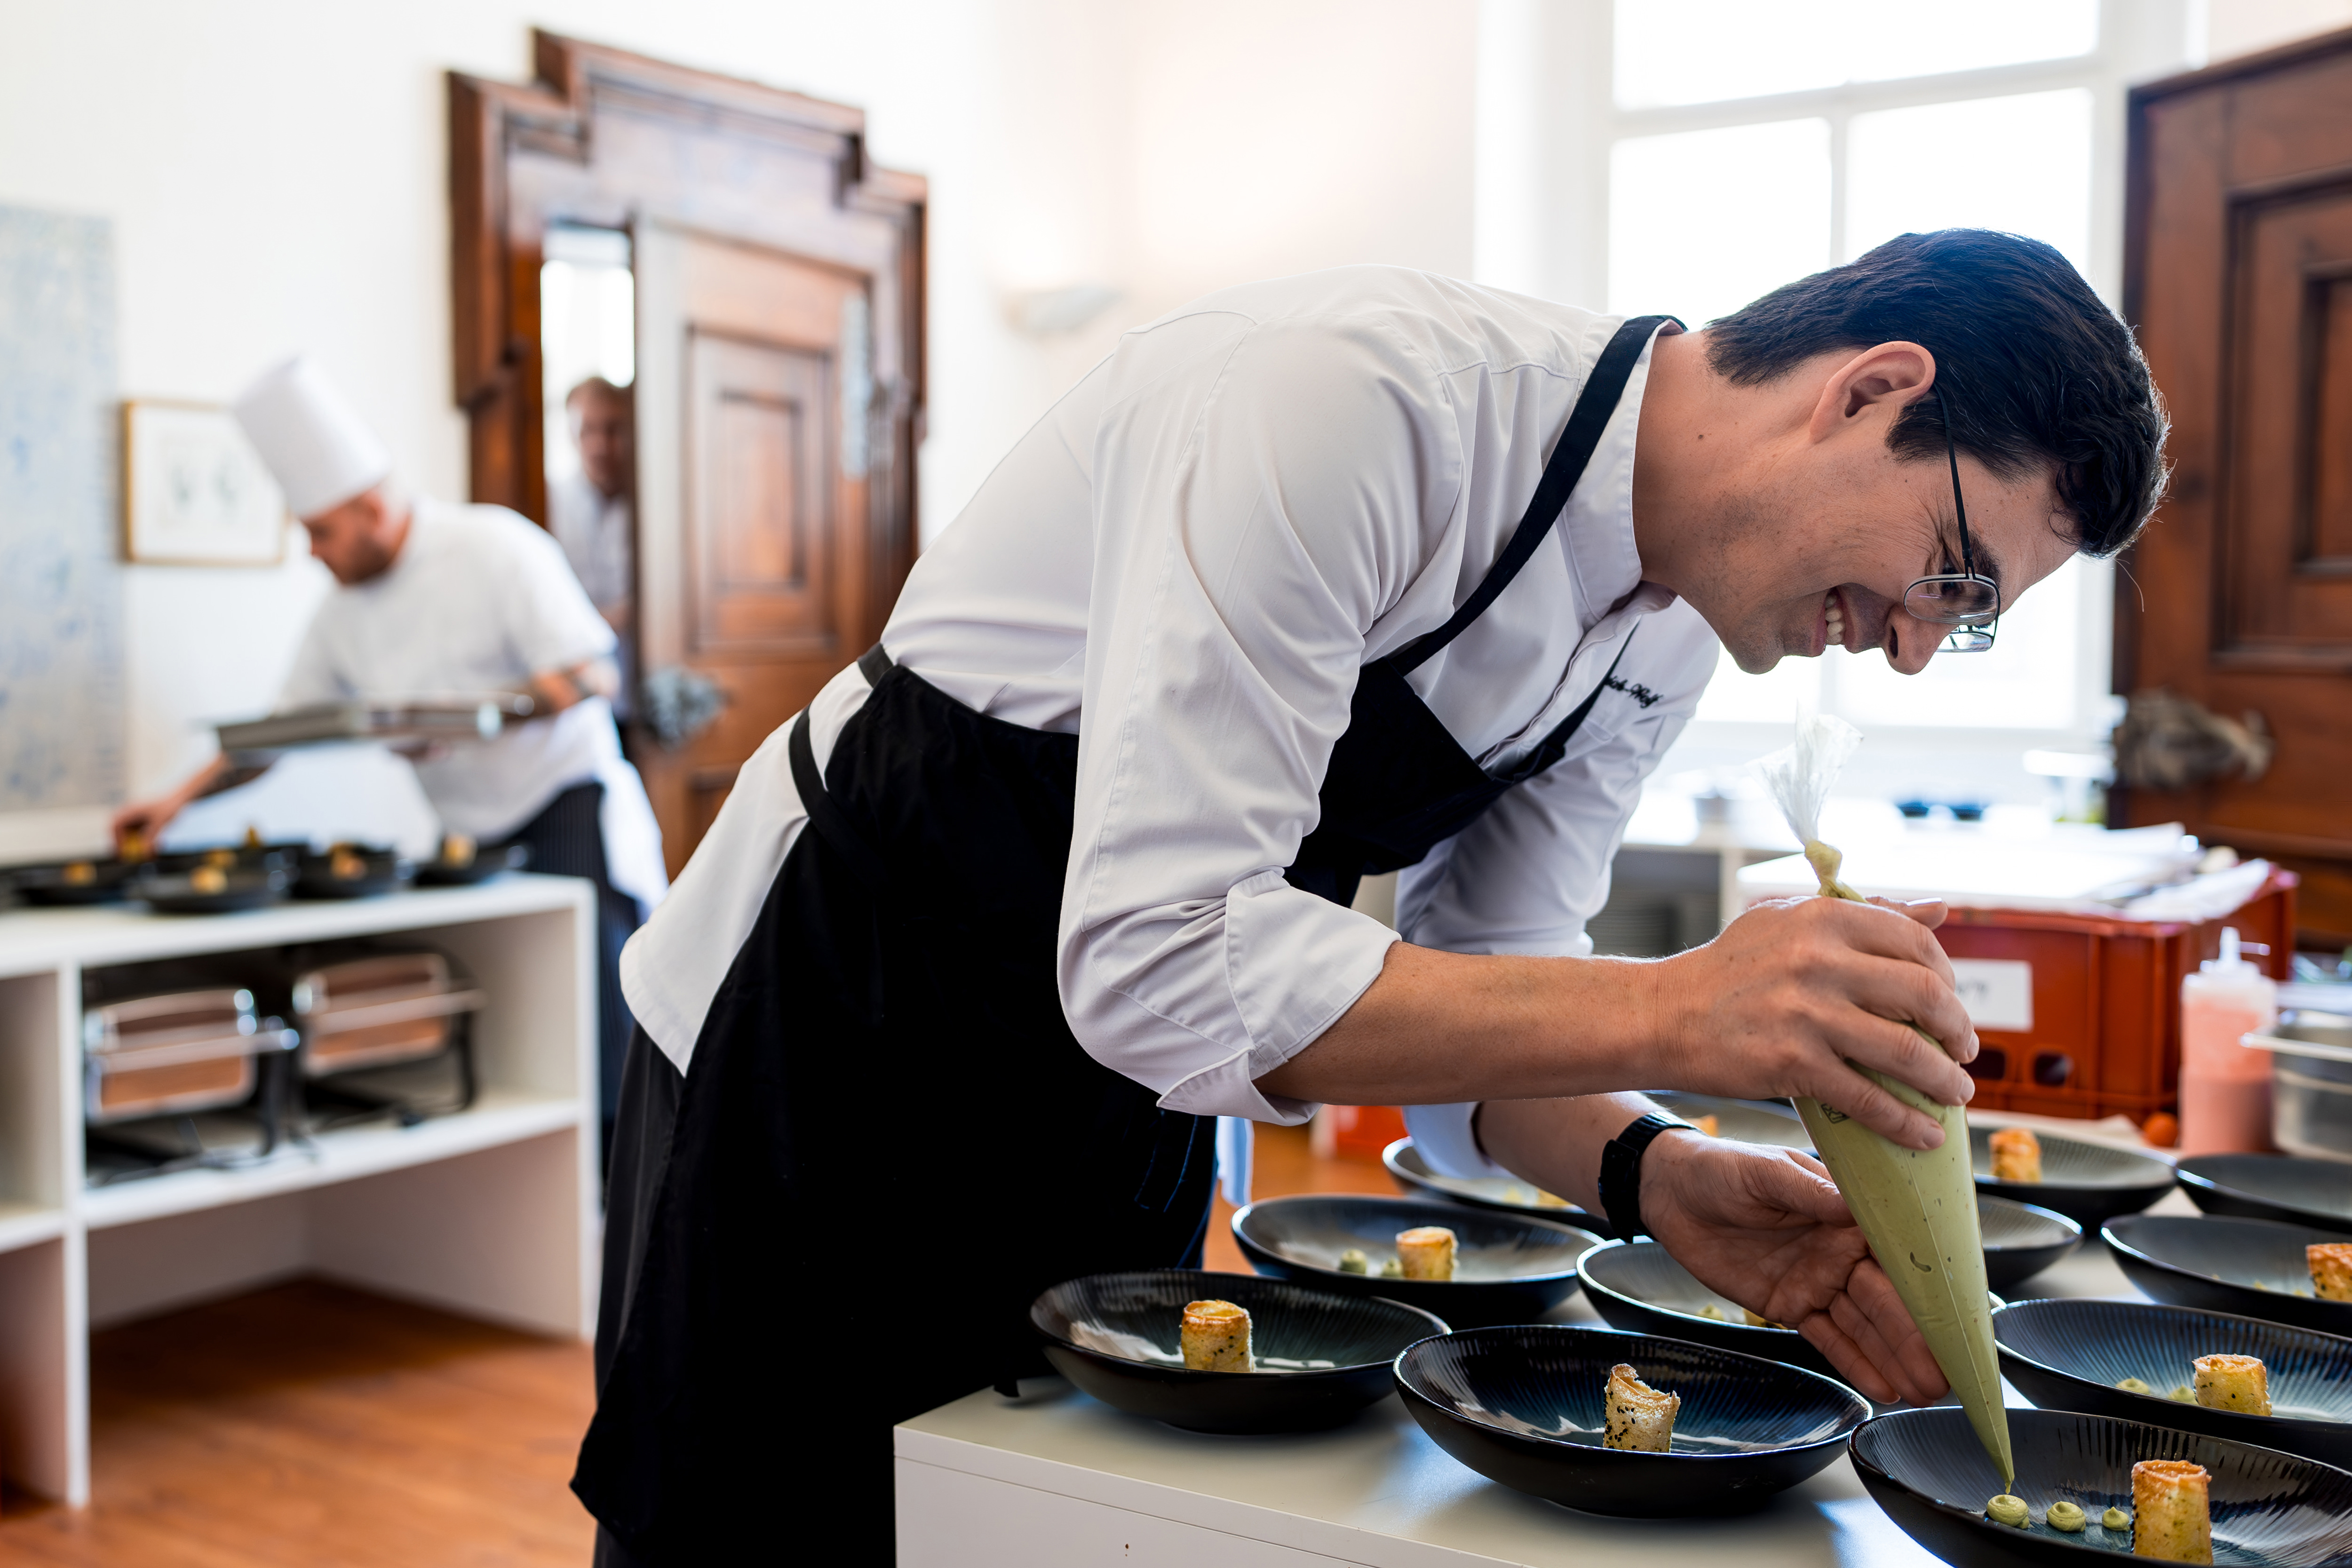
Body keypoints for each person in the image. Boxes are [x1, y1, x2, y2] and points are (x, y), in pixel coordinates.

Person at [572, 231, 2167, 1565]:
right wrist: (1686, 1005)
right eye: (1955, 573)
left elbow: (1497, 976)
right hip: (830, 1035)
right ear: (1872, 389)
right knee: (759, 1530)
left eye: (1966, 626)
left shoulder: (1677, 625)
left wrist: (1650, 1167)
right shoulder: (1352, 402)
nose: (1912, 645)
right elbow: (1165, 954)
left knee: (1046, 1520)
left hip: (1120, 1100)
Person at [114, 357, 667, 1147]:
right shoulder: (340, 613)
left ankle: (625, 1200)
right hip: (467, 835)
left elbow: (592, 673)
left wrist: (480, 716)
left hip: (567, 809)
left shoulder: (494, 547)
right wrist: (173, 801)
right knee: (522, 1045)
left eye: (320, 531)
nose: (312, 552)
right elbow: (283, 732)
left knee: (605, 1042)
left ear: (372, 509)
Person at [548, 377, 636, 715]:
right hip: (574, 697)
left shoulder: (655, 506)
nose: (601, 445)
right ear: (571, 435)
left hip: (640, 692)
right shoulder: (549, 505)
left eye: (612, 429)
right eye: (588, 431)